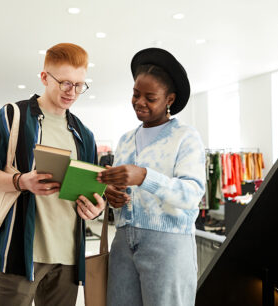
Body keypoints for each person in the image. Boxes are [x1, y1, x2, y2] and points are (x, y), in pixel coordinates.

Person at [0, 43, 106, 306]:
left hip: (68, 258)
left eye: (80, 85)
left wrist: (96, 207)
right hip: (20, 253)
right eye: (66, 83)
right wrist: (21, 181)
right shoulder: (12, 116)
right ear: (45, 77)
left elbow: (90, 191)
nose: (73, 92)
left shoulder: (85, 135)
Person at [98, 48, 206, 306]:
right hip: (123, 244)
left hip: (167, 246)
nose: (139, 102)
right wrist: (110, 194)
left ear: (169, 99)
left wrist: (145, 176)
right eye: (135, 94)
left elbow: (192, 194)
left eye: (150, 97)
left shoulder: (186, 137)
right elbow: (121, 188)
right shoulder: (125, 140)